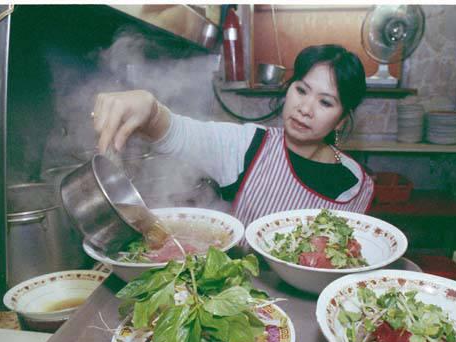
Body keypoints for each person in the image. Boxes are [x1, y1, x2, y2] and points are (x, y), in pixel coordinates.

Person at [92, 44, 374, 226]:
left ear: (340, 120)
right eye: (301, 90)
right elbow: (181, 133)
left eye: (325, 102)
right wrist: (151, 111)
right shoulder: (249, 145)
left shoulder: (356, 185)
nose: (305, 108)